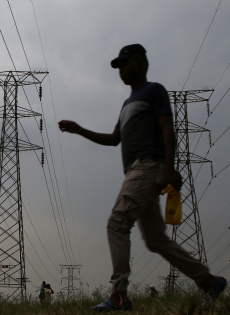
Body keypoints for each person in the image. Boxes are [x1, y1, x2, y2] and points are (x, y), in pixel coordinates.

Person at [57, 44, 227, 312]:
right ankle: (208, 281)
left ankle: (118, 296)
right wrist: (80, 130)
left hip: (148, 167)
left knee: (117, 223)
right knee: (156, 240)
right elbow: (114, 139)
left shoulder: (154, 91)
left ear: (139, 63)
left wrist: (170, 167)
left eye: (124, 64)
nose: (120, 70)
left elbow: (167, 129)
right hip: (138, 170)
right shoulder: (127, 104)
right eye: (118, 67)